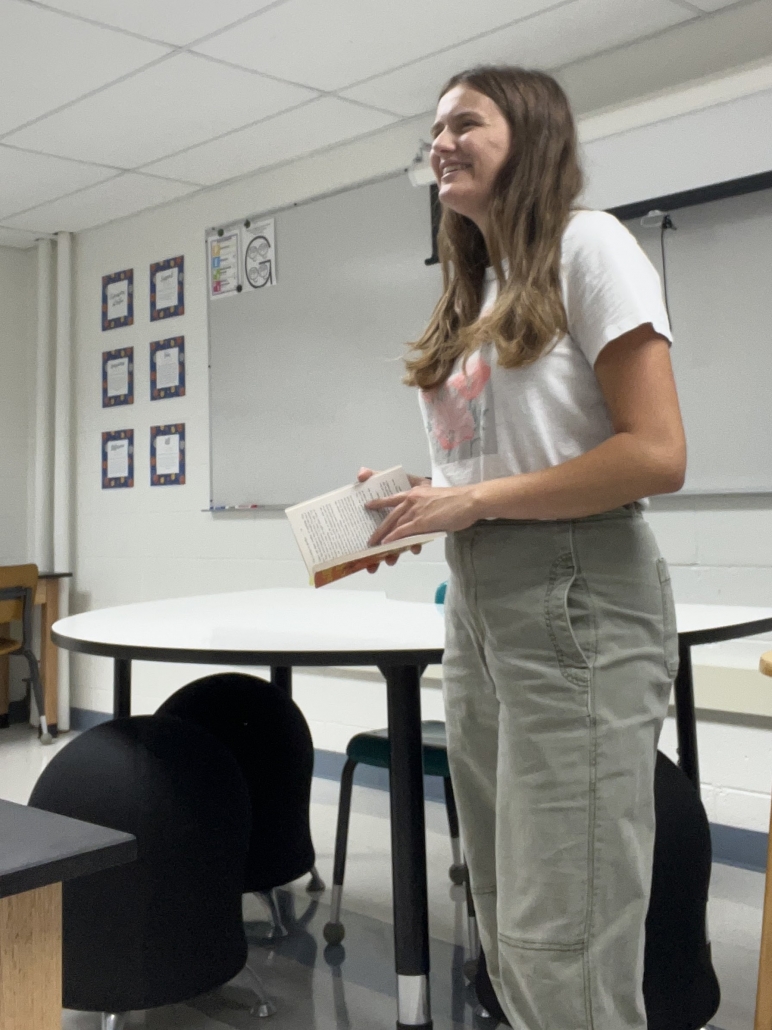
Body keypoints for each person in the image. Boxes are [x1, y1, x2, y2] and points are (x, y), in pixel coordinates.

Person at [359, 65, 686, 1030]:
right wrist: (419, 504)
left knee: (564, 925)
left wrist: (477, 501)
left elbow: (657, 453)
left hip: (577, 586)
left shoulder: (591, 246)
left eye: (466, 122)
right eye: (433, 130)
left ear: (530, 134)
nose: (441, 142)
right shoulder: (476, 293)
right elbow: (490, 476)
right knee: (502, 904)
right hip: (480, 600)